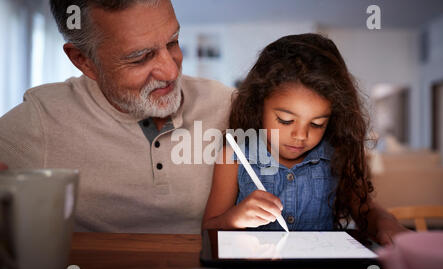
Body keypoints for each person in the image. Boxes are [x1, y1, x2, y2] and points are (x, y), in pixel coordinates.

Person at [0, 0, 233, 233]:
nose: (171, 72)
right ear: (83, 60)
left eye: (172, 42)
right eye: (140, 57)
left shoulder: (227, 104)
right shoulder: (42, 118)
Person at [202, 34, 408, 245]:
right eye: (285, 120)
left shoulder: (338, 153)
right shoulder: (234, 157)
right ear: (258, 106)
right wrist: (234, 218)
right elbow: (209, 228)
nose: (300, 136)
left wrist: (384, 221)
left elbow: (365, 210)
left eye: (317, 123)